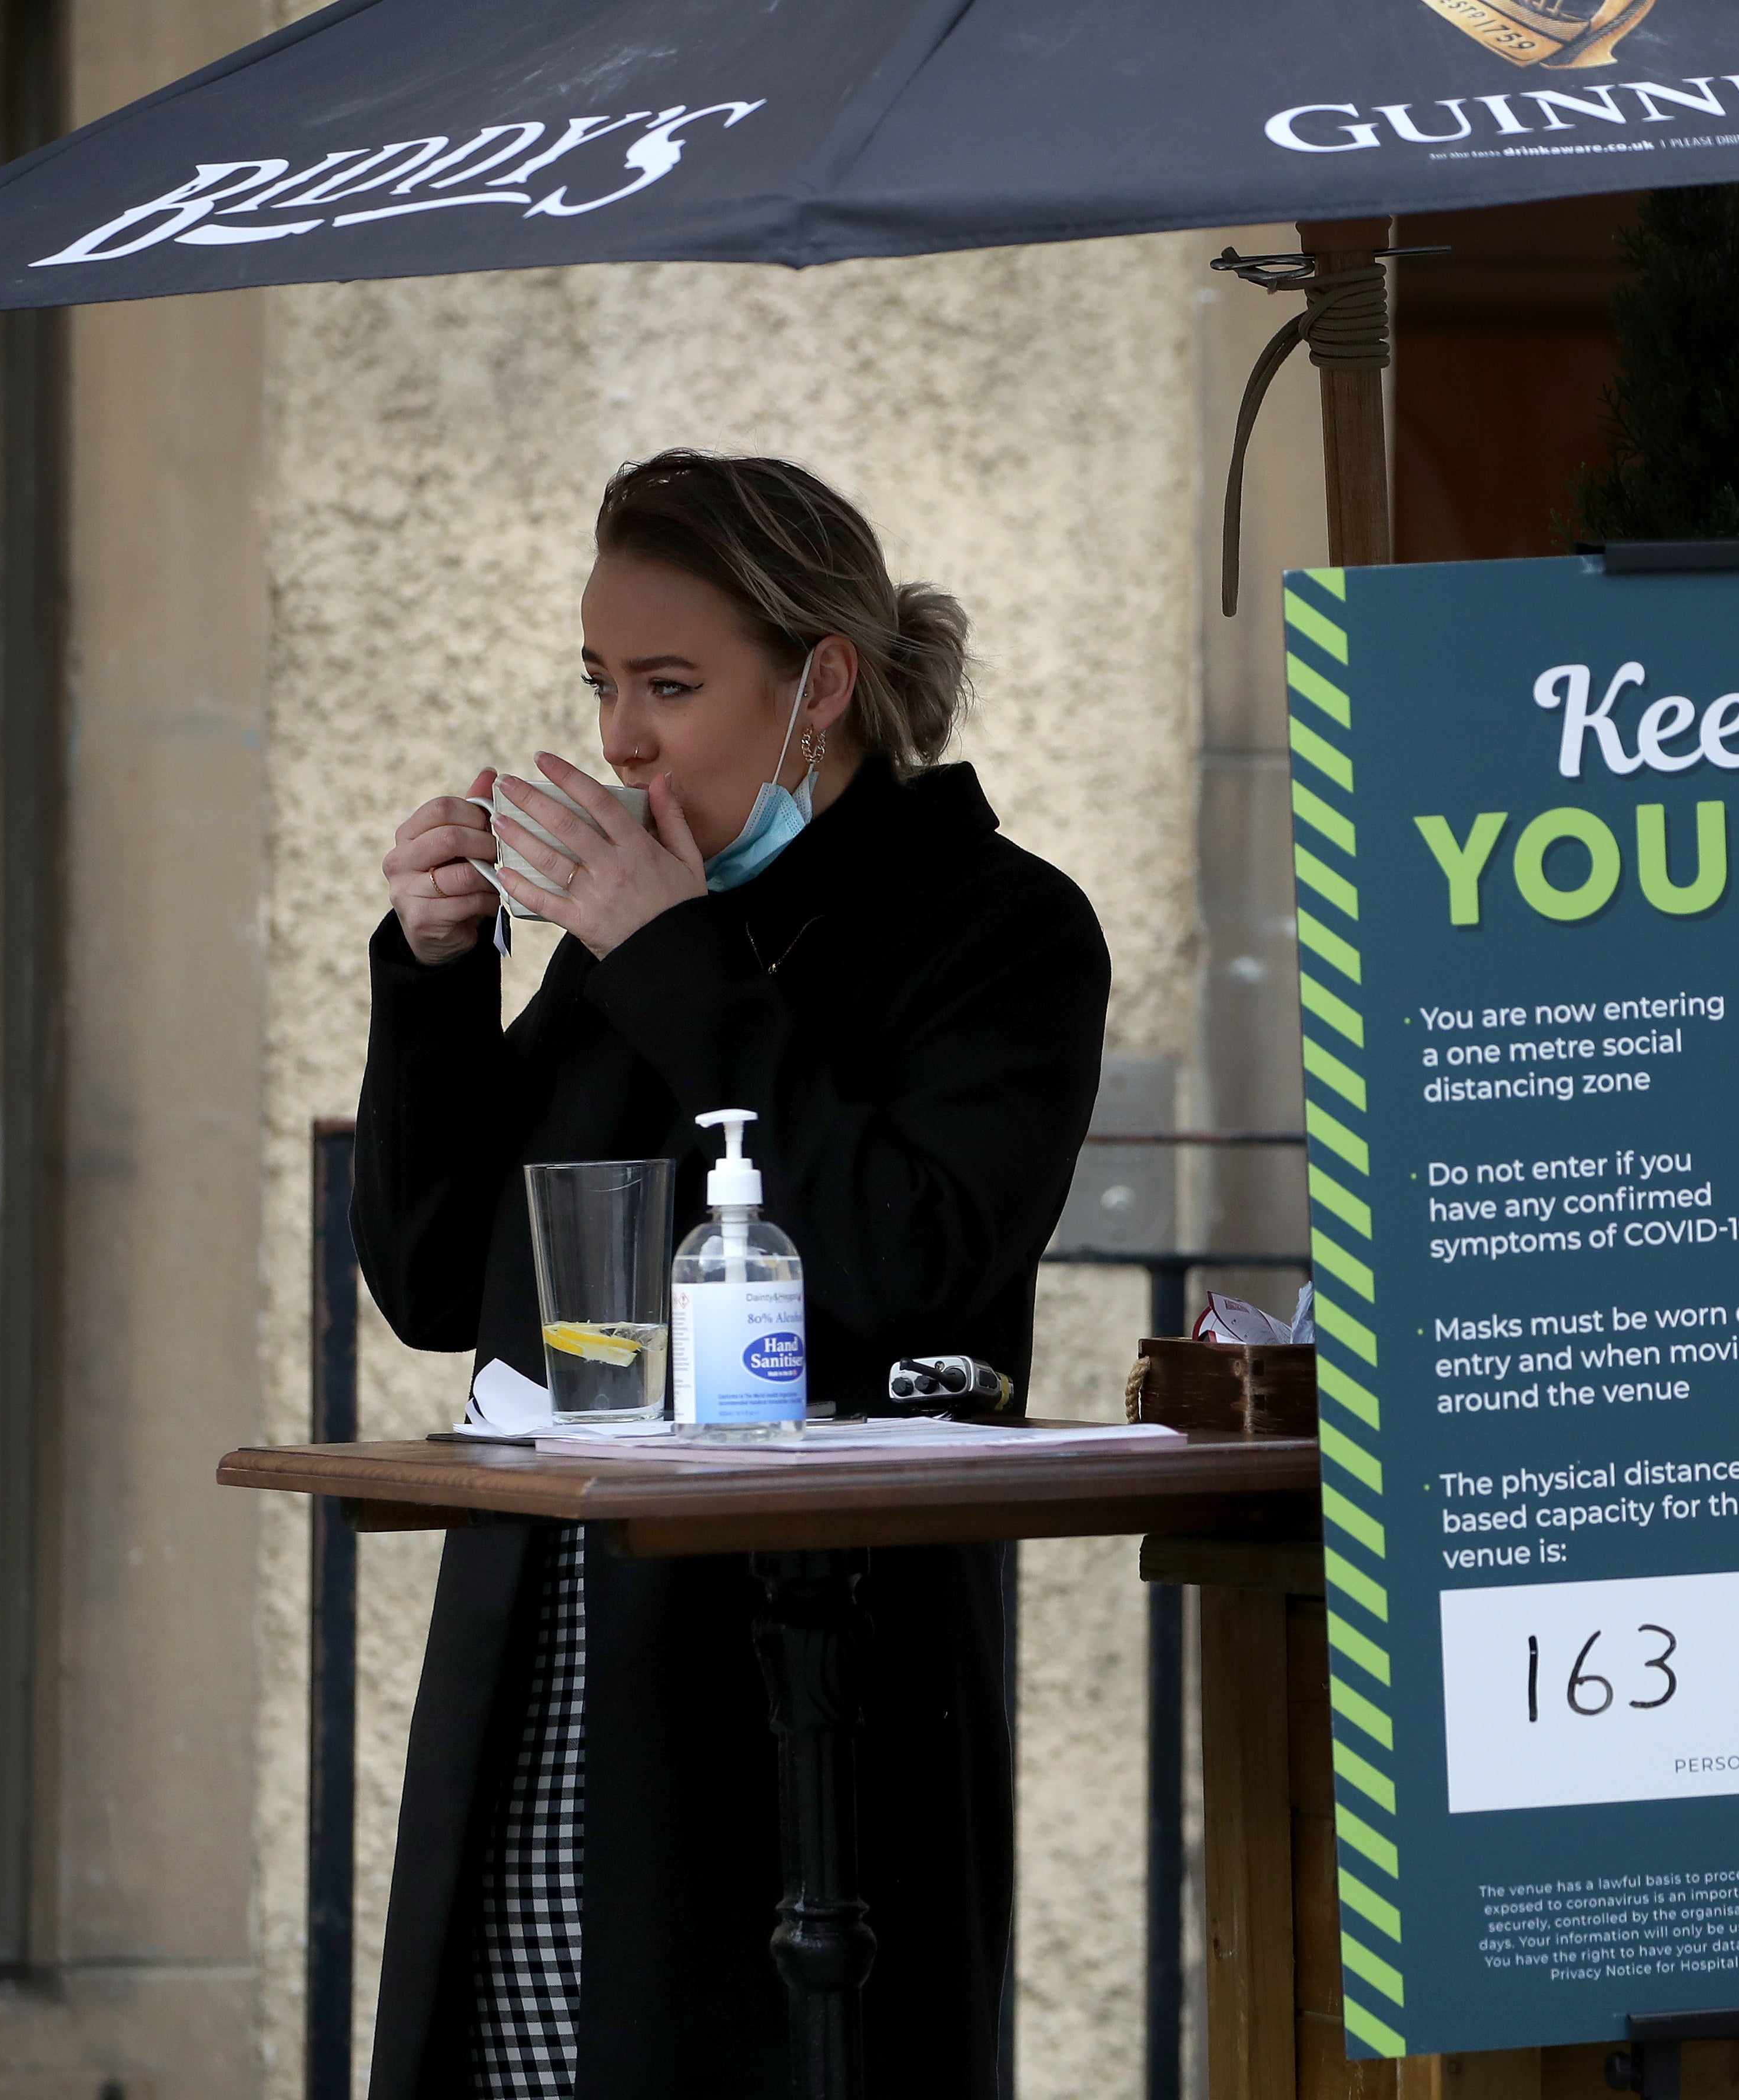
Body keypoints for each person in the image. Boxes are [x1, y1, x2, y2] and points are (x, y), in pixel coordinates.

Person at [351, 450, 1109, 2098]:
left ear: (820, 686)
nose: (620, 736)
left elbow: (914, 1261)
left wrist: (671, 960)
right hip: (554, 1636)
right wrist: (430, 983)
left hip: (806, 1687)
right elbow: (432, 1284)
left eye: (672, 685)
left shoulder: (997, 925)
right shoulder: (642, 932)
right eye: (601, 683)